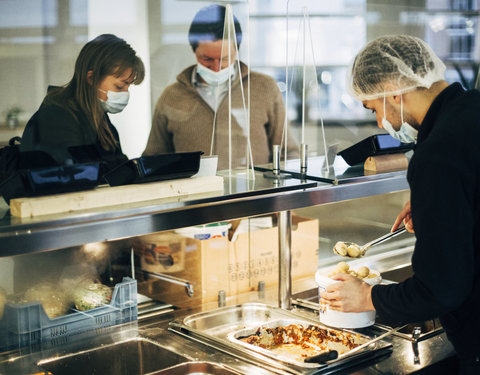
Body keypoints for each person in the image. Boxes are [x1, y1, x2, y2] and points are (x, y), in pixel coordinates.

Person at [320, 34, 480, 374]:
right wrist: (438, 202)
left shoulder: (438, 151)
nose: (381, 123)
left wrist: (367, 298)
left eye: (374, 108)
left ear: (394, 90)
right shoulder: (472, 110)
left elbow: (442, 290)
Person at [143, 4, 298, 170]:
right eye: (207, 59)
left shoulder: (265, 88)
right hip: (195, 195)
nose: (216, 67)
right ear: (194, 51)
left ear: (236, 51)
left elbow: (288, 153)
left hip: (253, 193)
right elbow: (153, 161)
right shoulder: (171, 96)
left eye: (224, 59)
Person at [20, 34, 145, 172]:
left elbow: (118, 166)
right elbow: (80, 173)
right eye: (120, 86)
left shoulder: (99, 118)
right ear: (91, 78)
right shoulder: (56, 117)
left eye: (128, 87)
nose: (125, 93)